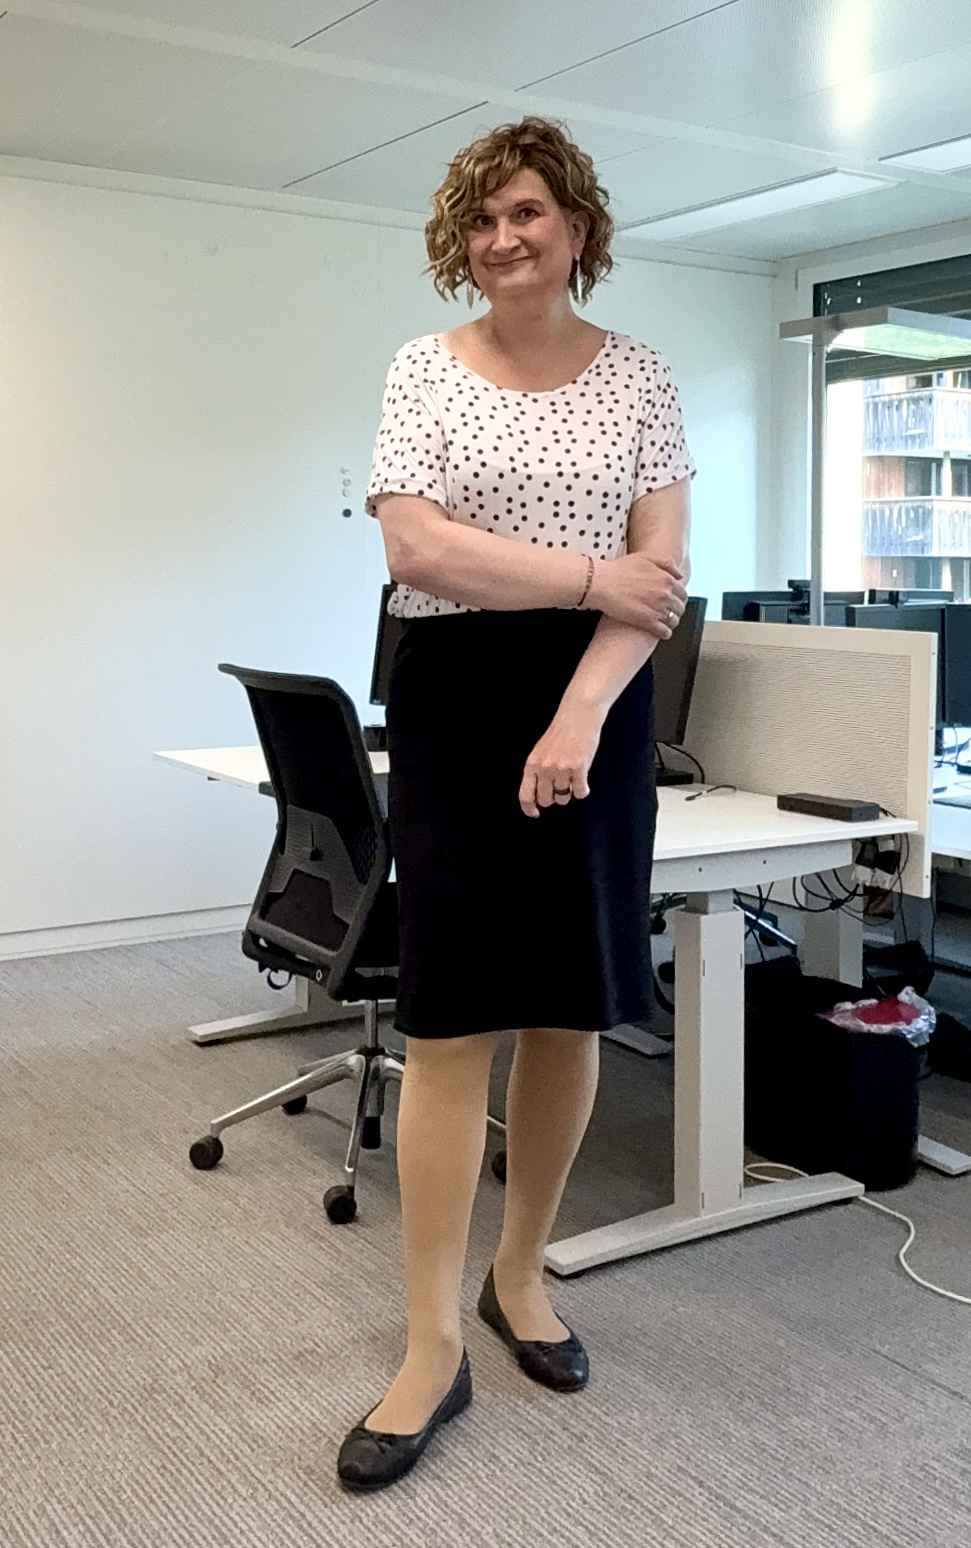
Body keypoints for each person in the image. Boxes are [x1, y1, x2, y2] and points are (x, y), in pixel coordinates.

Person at [338, 115, 695, 1493]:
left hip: (594, 704)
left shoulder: (641, 375)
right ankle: (431, 1343)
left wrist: (582, 708)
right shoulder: (421, 368)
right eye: (482, 219)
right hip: (454, 700)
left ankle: (519, 1274)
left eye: (528, 211)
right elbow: (418, 549)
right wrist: (592, 574)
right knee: (448, 1021)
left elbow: (660, 585)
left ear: (576, 228)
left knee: (568, 1004)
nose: (503, 237)